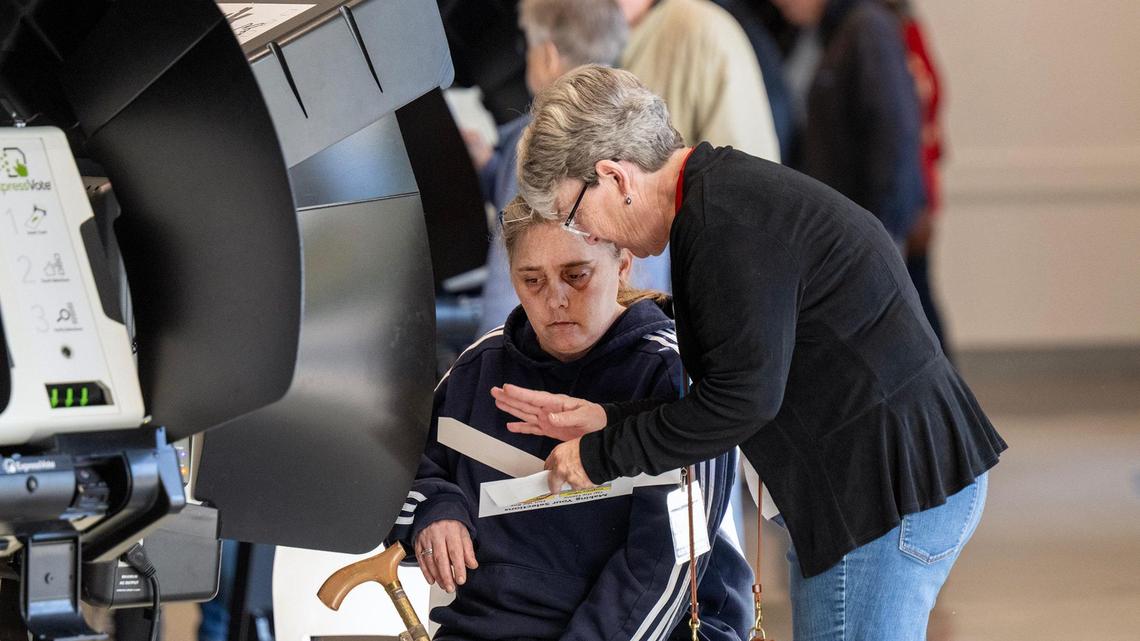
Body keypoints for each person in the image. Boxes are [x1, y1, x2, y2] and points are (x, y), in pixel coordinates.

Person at [497, 65, 1007, 641]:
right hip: (890, 480)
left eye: (575, 215)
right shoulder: (718, 197)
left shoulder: (722, 225)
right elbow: (737, 382)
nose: (590, 235)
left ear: (616, 177)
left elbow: (740, 404)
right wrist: (608, 419)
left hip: (883, 494)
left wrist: (599, 455)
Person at [387, 197, 753, 640]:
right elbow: (401, 476)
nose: (555, 299)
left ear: (622, 265)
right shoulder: (476, 369)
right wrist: (434, 510)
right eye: (532, 280)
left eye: (576, 276)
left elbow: (667, 568)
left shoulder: (673, 375)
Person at [771, 0, 926, 247]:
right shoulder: (831, 33)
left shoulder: (867, 28)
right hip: (846, 232)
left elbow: (895, 137)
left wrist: (880, 237)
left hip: (864, 239)